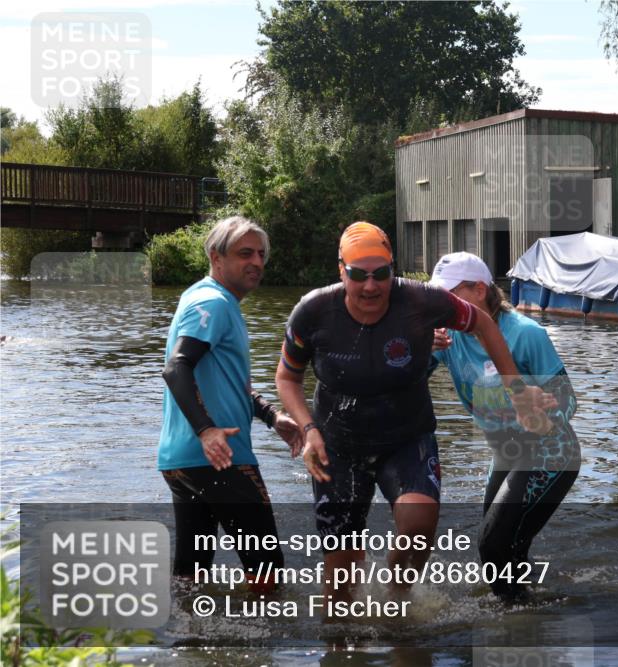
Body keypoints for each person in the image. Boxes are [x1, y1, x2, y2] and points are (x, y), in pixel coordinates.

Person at [275, 222, 553, 607]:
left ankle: (397, 600)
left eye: (381, 274)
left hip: (406, 437)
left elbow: (484, 323)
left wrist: (517, 390)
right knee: (339, 579)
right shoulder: (313, 311)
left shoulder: (422, 301)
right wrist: (308, 430)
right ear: (341, 270)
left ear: (394, 269)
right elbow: (287, 377)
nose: (370, 286)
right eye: (358, 275)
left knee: (419, 527)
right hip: (336, 444)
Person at [158, 216, 303, 592]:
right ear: (215, 256)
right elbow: (176, 367)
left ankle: (189, 644)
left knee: (191, 572)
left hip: (182, 459)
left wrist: (271, 416)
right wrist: (207, 431)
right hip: (220, 456)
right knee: (266, 567)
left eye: (260, 254)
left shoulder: (204, 297)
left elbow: (225, 380)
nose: (256, 261)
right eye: (244, 253)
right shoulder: (214, 303)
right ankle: (265, 642)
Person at [429, 251, 580, 602]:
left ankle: (518, 621)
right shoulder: (447, 338)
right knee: (505, 549)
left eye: (449, 295)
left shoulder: (525, 334)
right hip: (505, 455)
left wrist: (543, 410)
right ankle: (533, 616)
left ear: (479, 290)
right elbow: (408, 380)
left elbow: (568, 400)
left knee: (493, 546)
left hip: (550, 452)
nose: (442, 306)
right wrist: (421, 349)